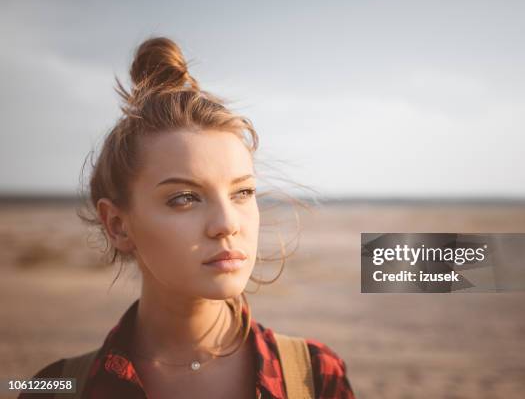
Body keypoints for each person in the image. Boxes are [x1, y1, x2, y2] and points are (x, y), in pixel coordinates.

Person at [19, 36, 355, 399]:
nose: (228, 224)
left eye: (242, 192)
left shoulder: (314, 375)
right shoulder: (53, 389)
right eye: (184, 198)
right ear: (117, 225)